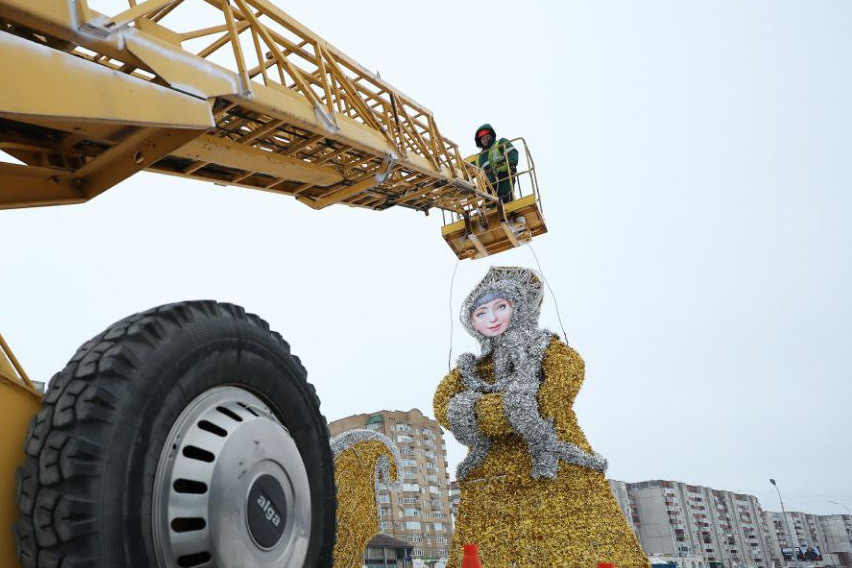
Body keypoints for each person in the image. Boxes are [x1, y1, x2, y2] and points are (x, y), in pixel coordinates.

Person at [434, 267, 649, 568]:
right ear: (472, 322)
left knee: (575, 548)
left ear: (519, 308)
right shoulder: (470, 369)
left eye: (501, 307)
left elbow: (554, 393)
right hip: (492, 483)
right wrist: (502, 409)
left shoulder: (545, 350)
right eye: (481, 313)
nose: (492, 319)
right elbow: (443, 405)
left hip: (553, 471)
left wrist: (485, 411)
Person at [474, 124, 518, 203]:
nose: (485, 140)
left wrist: (512, 165)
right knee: (489, 202)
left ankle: (507, 199)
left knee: (505, 198)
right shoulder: (479, 157)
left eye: (487, 137)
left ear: (491, 136)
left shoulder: (500, 143)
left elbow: (511, 152)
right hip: (489, 185)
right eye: (482, 139)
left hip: (504, 178)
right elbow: (467, 167)